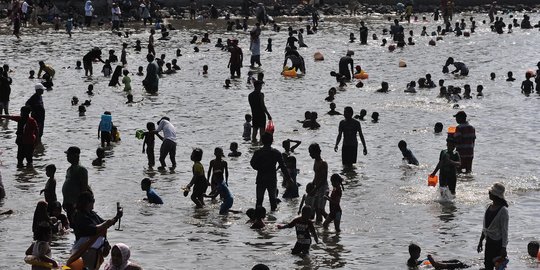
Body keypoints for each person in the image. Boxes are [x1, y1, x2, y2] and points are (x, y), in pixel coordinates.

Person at [71, 191, 122, 270]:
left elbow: (105, 224)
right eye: (93, 200)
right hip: (85, 250)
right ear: (87, 202)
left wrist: (116, 217)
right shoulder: (79, 216)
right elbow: (93, 229)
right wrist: (106, 223)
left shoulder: (92, 214)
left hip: (96, 250)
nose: (94, 202)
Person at [250, 132, 291, 211]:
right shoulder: (276, 153)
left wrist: (260, 168)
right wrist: (289, 178)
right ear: (272, 141)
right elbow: (283, 166)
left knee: (259, 200)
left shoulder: (258, 152)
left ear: (262, 140)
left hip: (261, 178)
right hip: (271, 178)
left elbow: (252, 164)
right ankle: (272, 220)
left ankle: (258, 218)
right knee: (273, 200)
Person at [477, 183, 509, 270]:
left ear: (495, 195)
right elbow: (485, 228)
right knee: (487, 265)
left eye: (490, 192)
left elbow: (505, 231)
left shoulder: (503, 211)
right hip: (489, 242)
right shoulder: (488, 206)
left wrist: (504, 248)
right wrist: (480, 241)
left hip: (498, 244)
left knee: (499, 267)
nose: (489, 193)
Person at [62, 146, 89, 224]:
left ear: (76, 155)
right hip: (68, 203)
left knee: (77, 224)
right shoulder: (69, 169)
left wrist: (79, 204)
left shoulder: (81, 170)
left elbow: (84, 188)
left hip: (76, 204)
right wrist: (64, 201)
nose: (67, 156)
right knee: (72, 224)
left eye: (69, 154)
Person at [308, 143, 328, 223]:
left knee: (321, 209)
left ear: (316, 152)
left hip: (323, 187)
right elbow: (316, 176)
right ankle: (319, 226)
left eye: (311, 152)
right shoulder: (316, 161)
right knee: (316, 208)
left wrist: (315, 188)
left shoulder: (323, 163)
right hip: (317, 187)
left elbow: (323, 179)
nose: (310, 154)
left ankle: (330, 221)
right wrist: (312, 184)